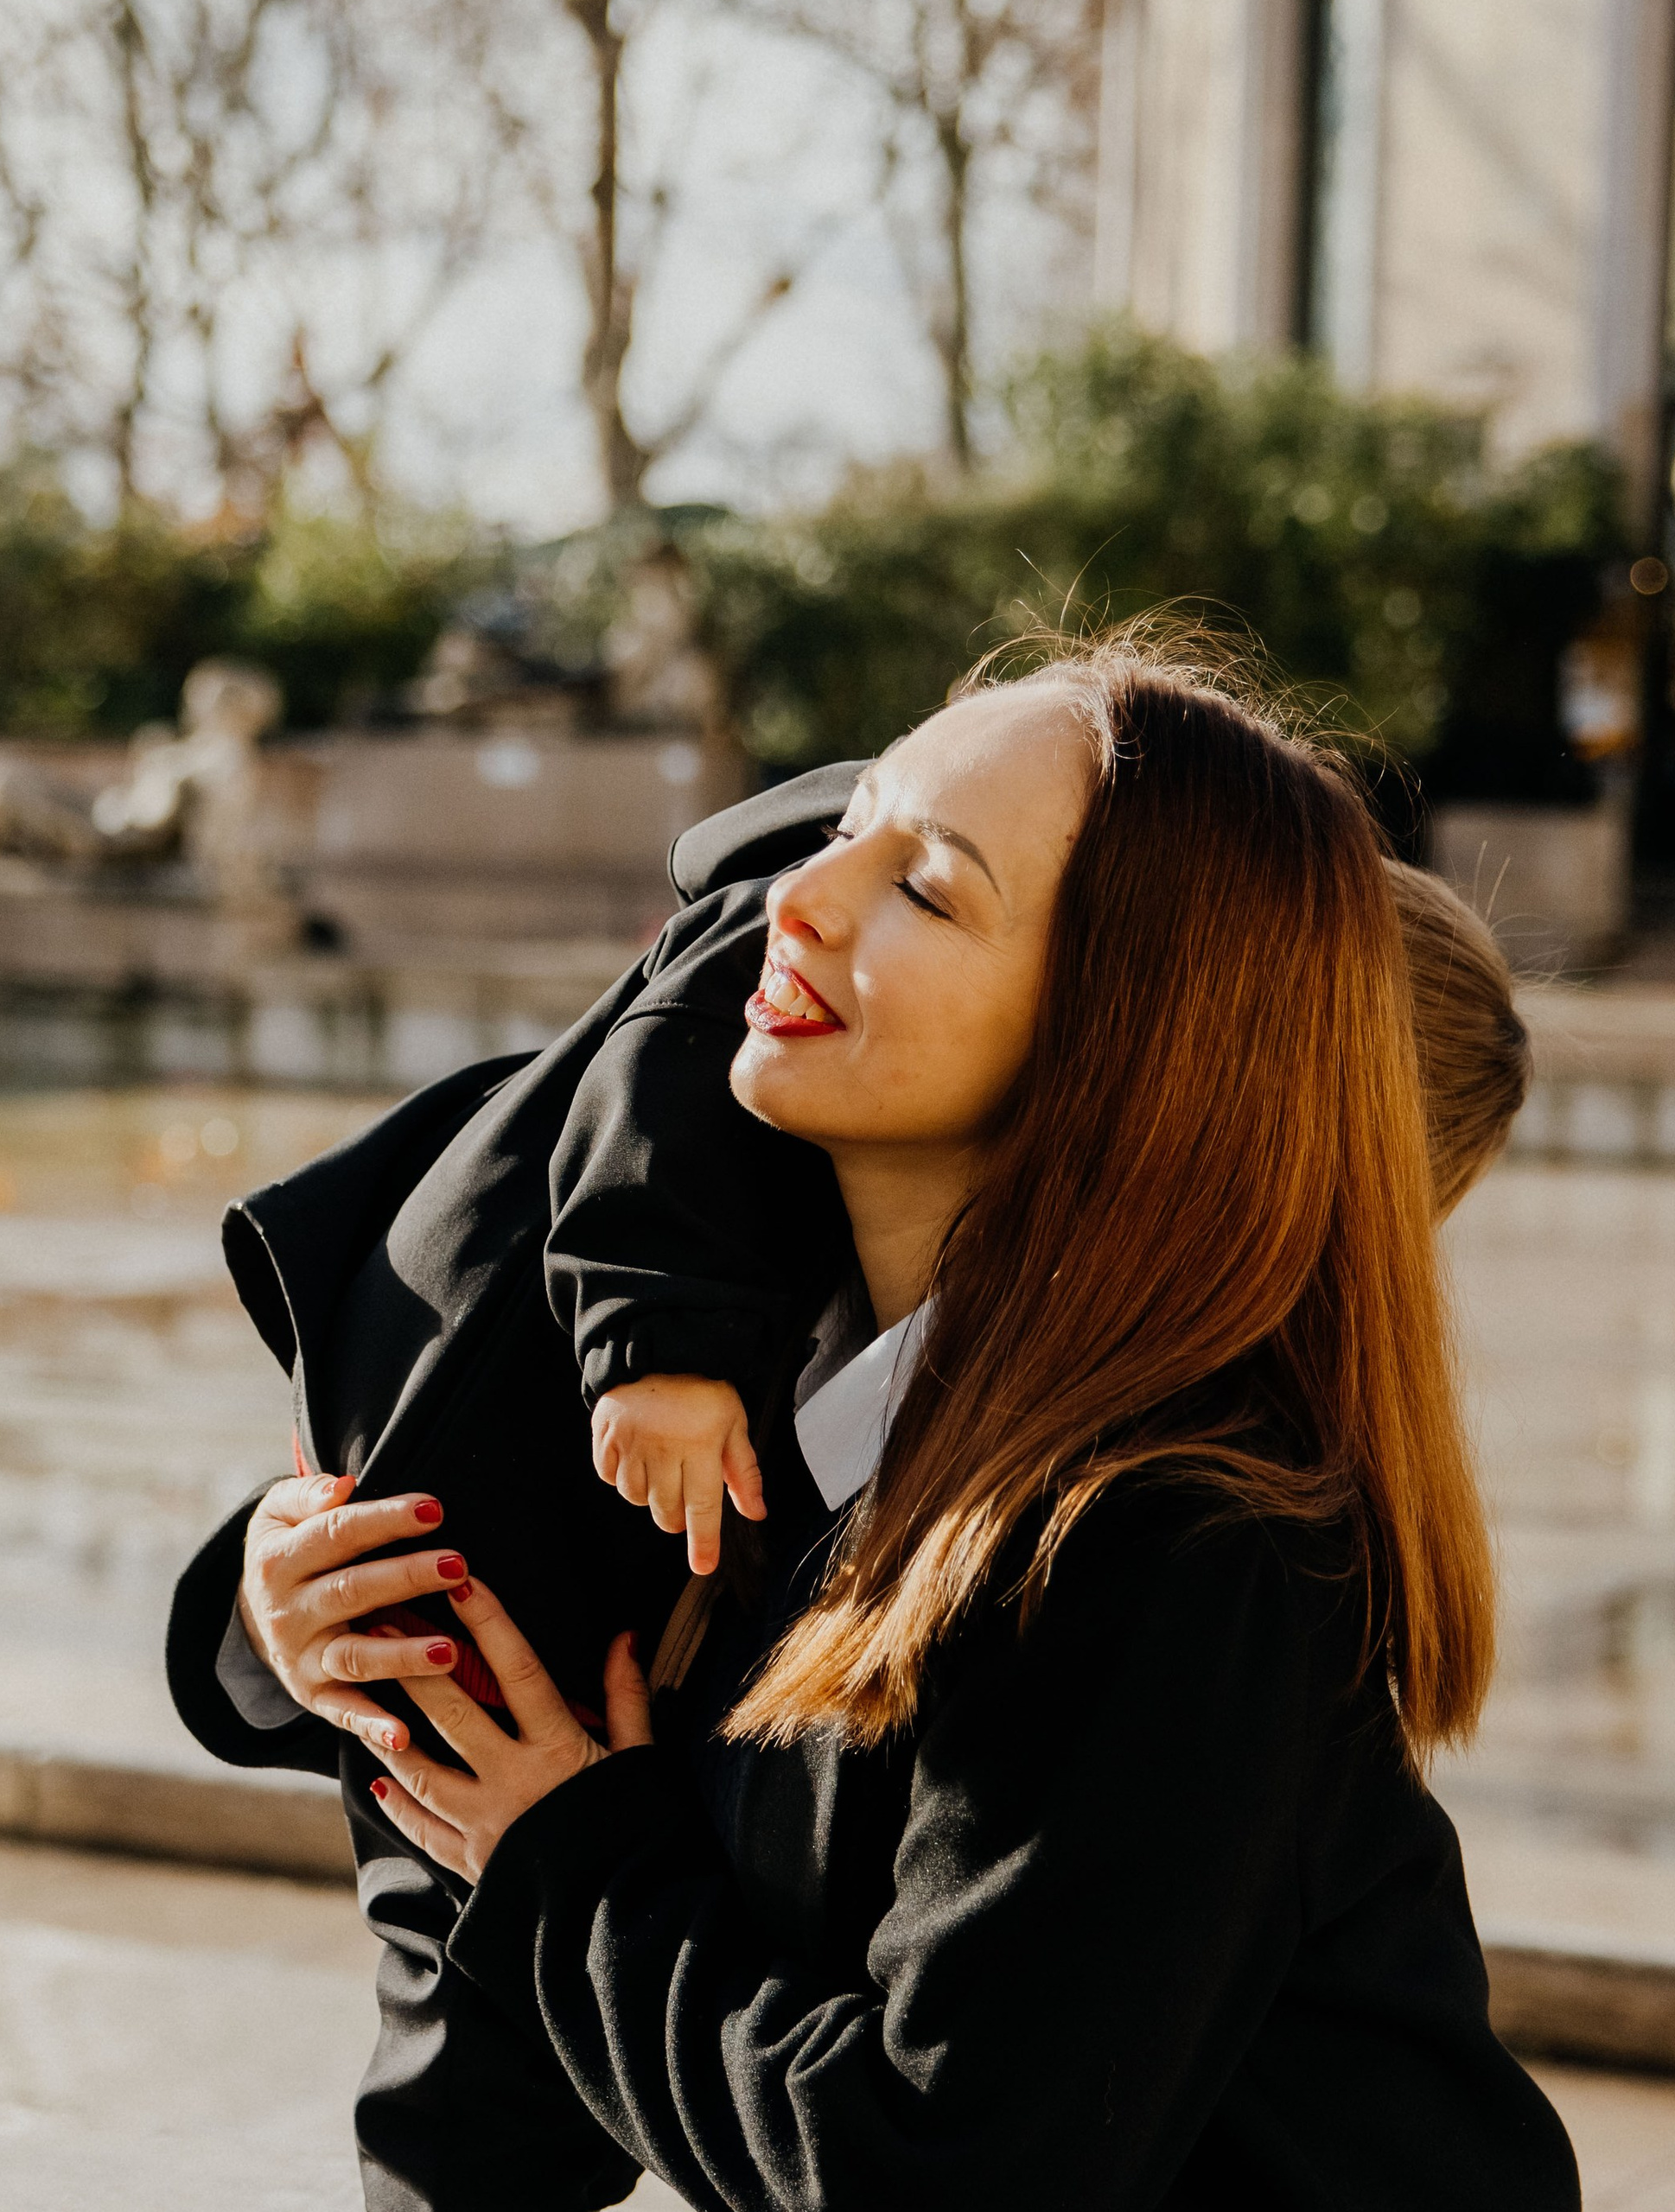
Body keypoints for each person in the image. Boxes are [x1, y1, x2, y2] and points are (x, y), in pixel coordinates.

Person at [209, 636, 1577, 2209]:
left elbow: (940, 2177)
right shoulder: (767, 1369)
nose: (795, 895)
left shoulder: (1168, 1544)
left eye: (927, 890)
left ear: (1114, 1057)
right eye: (853, 820)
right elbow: (449, 1473)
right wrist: (277, 1605)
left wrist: (570, 1864)